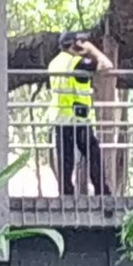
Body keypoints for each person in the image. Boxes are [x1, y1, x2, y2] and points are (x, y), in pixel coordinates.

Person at [47, 32, 113, 196]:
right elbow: (107, 64)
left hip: (60, 116)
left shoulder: (54, 63)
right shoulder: (78, 62)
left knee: (65, 157)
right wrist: (91, 49)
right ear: (74, 45)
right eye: (80, 42)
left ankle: (66, 193)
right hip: (78, 117)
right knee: (92, 152)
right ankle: (101, 190)